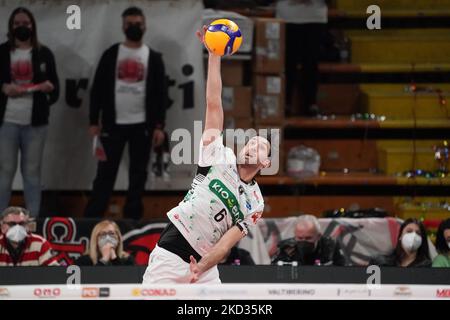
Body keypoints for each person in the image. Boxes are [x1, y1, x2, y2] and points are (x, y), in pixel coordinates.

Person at [142, 26, 271, 284]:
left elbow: (225, 245)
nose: (250, 146)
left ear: (265, 163)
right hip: (171, 252)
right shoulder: (217, 155)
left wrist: (200, 269)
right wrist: (214, 56)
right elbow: (214, 103)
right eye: (249, 142)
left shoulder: (255, 202)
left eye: (259, 146)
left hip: (204, 266)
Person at [85, 6, 167, 220]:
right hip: (113, 124)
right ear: (123, 26)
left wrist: (159, 126)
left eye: (138, 24)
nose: (134, 28)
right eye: (130, 24)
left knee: (138, 175)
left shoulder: (153, 57)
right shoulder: (112, 54)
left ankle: (133, 220)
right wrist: (94, 120)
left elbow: (161, 94)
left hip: (143, 125)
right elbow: (98, 90)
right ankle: (93, 219)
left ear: (145, 25)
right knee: (105, 174)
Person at [0, 7, 59, 217]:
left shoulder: (44, 53)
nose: (21, 27)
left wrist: (46, 91)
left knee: (32, 173)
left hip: (36, 124)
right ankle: (2, 221)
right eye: (17, 24)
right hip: (6, 121)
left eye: (25, 23)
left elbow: (56, 91)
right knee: (4, 173)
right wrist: (3, 88)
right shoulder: (2, 52)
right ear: (10, 27)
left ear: (32, 26)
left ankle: (32, 221)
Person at [275, 0, 329, 116]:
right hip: (288, 16)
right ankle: (285, 103)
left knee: (311, 63)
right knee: (289, 63)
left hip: (315, 17)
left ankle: (311, 103)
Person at [272, 214, 346, 266]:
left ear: (319, 236)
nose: (304, 241)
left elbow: (342, 271)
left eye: (308, 238)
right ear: (295, 235)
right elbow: (274, 271)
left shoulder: (331, 246)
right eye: (300, 238)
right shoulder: (285, 248)